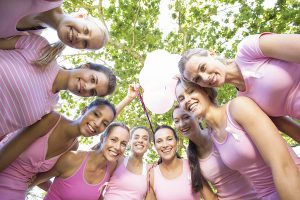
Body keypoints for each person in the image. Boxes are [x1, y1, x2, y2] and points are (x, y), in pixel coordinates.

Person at [175, 78, 300, 200]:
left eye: (191, 91)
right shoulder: (213, 135)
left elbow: (283, 165)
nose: (187, 100)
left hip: (293, 186)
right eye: (181, 98)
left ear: (206, 90)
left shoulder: (238, 107)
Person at [178, 33, 300, 143]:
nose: (205, 78)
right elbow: (291, 129)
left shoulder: (248, 50)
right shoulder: (245, 102)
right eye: (197, 79)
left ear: (212, 54)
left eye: (203, 67)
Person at [0, 34, 116, 137]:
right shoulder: (40, 47)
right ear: (86, 66)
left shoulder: (49, 107)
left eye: (93, 92)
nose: (87, 87)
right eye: (92, 79)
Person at [0, 98, 116, 199]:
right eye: (96, 114)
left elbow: (40, 176)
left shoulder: (73, 147)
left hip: (17, 191)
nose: (97, 123)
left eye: (104, 124)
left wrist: (67, 194)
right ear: (85, 110)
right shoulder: (51, 120)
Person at [172, 105, 259, 200]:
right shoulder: (190, 153)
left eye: (186, 117)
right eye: (176, 121)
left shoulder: (216, 133)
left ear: (198, 117)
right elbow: (207, 192)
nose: (181, 124)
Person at [30, 122, 130, 200]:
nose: (118, 147)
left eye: (123, 144)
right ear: (103, 138)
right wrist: (59, 191)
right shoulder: (72, 158)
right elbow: (34, 180)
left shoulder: (112, 168)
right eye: (113, 139)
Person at [0, 0, 109, 50]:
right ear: (80, 16)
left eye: (85, 43)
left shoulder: (29, 36)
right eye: (86, 30)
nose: (79, 37)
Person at [146, 125, 206, 200]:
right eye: (159, 141)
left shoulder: (192, 166)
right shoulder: (151, 175)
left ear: (177, 142)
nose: (165, 145)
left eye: (169, 139)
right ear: (155, 146)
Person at [102, 126, 151, 200]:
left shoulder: (150, 171)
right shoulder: (117, 161)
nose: (140, 140)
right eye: (136, 137)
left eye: (145, 138)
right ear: (130, 142)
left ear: (149, 145)